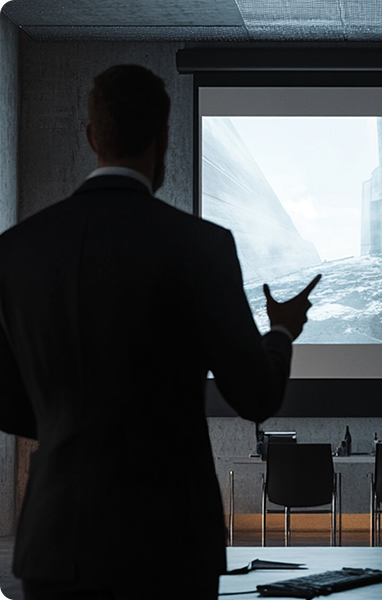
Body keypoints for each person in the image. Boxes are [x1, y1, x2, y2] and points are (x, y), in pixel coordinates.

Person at [0, 64, 320, 599]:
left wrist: (71, 418)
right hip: (172, 542)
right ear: (164, 137)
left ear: (90, 136)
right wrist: (281, 331)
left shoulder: (17, 250)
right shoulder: (202, 246)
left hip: (58, 542)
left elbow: (6, 399)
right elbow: (256, 396)